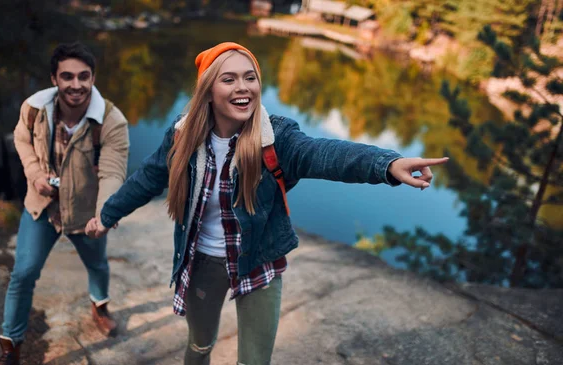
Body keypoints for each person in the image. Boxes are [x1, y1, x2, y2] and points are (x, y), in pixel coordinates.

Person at [86, 42, 448, 365]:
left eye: (250, 77)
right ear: (208, 90)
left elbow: (324, 154)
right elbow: (148, 177)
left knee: (255, 360)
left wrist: (386, 165)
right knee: (199, 346)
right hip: (203, 261)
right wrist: (107, 214)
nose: (243, 87)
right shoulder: (182, 137)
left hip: (260, 260)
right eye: (228, 79)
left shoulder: (276, 136)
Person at [0, 42, 130, 365]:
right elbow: (21, 138)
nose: (76, 84)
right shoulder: (33, 109)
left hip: (87, 213)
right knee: (23, 273)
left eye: (84, 76)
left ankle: (99, 305)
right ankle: (10, 347)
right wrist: (33, 173)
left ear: (93, 78)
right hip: (42, 206)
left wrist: (105, 214)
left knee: (97, 264)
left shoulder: (112, 122)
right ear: (54, 78)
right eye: (67, 76)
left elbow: (112, 172)